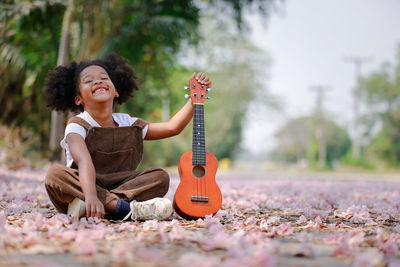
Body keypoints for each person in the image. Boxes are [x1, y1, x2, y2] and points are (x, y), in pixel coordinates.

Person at [44, 53, 212, 221]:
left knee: (160, 176)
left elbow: (172, 128)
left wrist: (194, 100)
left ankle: (109, 206)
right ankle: (122, 208)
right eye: (88, 81)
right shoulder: (77, 125)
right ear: (78, 99)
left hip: (123, 187)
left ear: (116, 91)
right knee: (55, 174)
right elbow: (83, 161)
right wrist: (91, 196)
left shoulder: (129, 123)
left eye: (104, 78)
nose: (98, 81)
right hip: (82, 186)